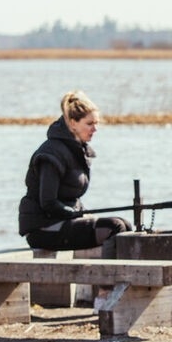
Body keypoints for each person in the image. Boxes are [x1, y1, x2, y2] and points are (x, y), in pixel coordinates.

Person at [18, 91, 131, 251]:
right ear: (72, 123)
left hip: (62, 222)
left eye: (96, 123)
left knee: (125, 225)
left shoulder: (77, 151)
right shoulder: (52, 153)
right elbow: (48, 202)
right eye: (89, 123)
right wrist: (73, 213)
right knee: (114, 227)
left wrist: (82, 213)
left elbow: (69, 197)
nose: (95, 129)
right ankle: (113, 274)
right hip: (43, 229)